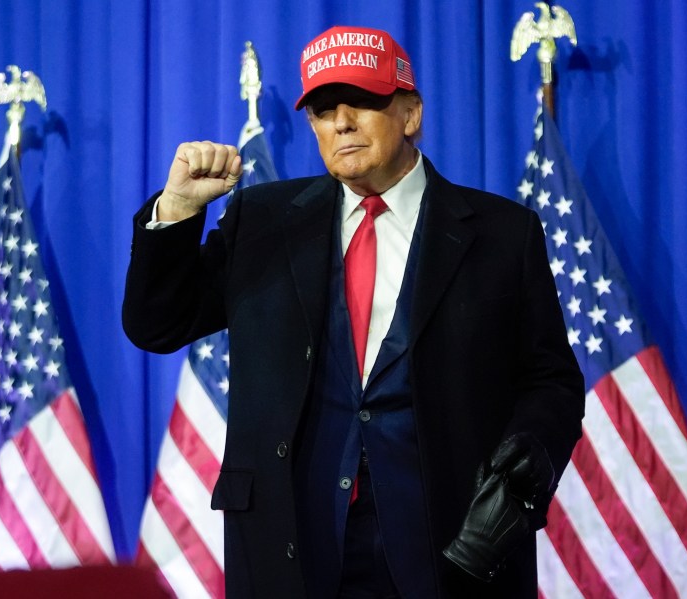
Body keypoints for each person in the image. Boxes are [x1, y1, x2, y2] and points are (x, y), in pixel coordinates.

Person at [123, 25, 584, 599]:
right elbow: (158, 325)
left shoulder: (501, 233)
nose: (340, 121)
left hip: (450, 549)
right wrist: (177, 211)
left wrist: (526, 464)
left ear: (411, 113)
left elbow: (552, 381)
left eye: (362, 100)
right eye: (321, 109)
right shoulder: (262, 223)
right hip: (290, 544)